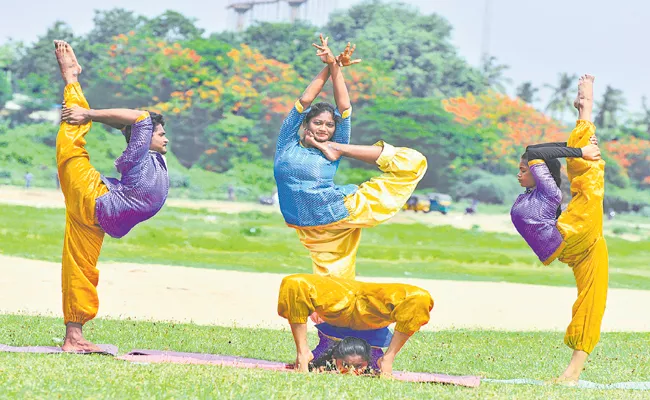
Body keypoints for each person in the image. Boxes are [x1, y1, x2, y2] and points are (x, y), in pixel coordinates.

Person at [273, 35, 427, 280]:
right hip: (308, 225)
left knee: (413, 162)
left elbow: (344, 107)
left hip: (337, 210)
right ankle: (334, 317)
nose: (324, 128)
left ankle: (346, 152)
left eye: (329, 125)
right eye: (318, 123)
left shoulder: (335, 141)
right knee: (334, 277)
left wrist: (337, 69)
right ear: (305, 124)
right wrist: (330, 65)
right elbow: (304, 101)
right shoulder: (287, 144)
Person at [53, 40, 169, 352]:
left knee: (81, 267)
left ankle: (73, 337)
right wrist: (87, 113)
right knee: (71, 140)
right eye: (160, 134)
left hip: (98, 216)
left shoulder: (153, 156)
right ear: (143, 139)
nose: (165, 137)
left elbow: (132, 125)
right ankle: (71, 79)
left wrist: (115, 123)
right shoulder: (138, 153)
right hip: (94, 198)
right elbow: (141, 118)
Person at [510, 74, 607, 383]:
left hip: (575, 234)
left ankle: (586, 110)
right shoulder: (535, 194)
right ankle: (584, 116)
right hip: (570, 247)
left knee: (590, 178)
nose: (519, 173)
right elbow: (537, 152)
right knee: (589, 176)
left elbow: (534, 150)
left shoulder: (548, 193)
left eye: (524, 169)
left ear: (538, 173)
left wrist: (581, 153)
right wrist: (576, 149)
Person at [277, 273, 433, 377]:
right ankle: (303, 353)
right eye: (350, 366)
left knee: (294, 283)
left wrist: (303, 352)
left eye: (351, 366)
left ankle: (303, 353)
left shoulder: (323, 354)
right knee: (419, 298)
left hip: (340, 309)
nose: (352, 371)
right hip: (366, 315)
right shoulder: (372, 358)